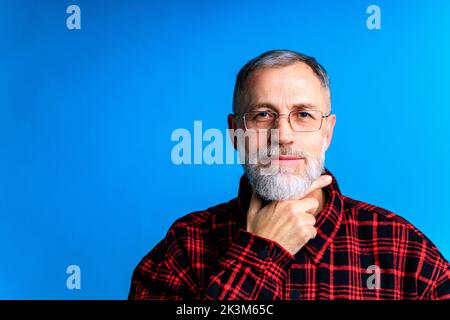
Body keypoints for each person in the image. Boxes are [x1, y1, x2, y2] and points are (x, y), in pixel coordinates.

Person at [128, 50, 450, 300]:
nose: (282, 135)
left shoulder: (405, 251)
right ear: (235, 132)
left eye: (304, 115)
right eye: (263, 115)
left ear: (327, 133)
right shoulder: (185, 247)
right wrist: (259, 251)